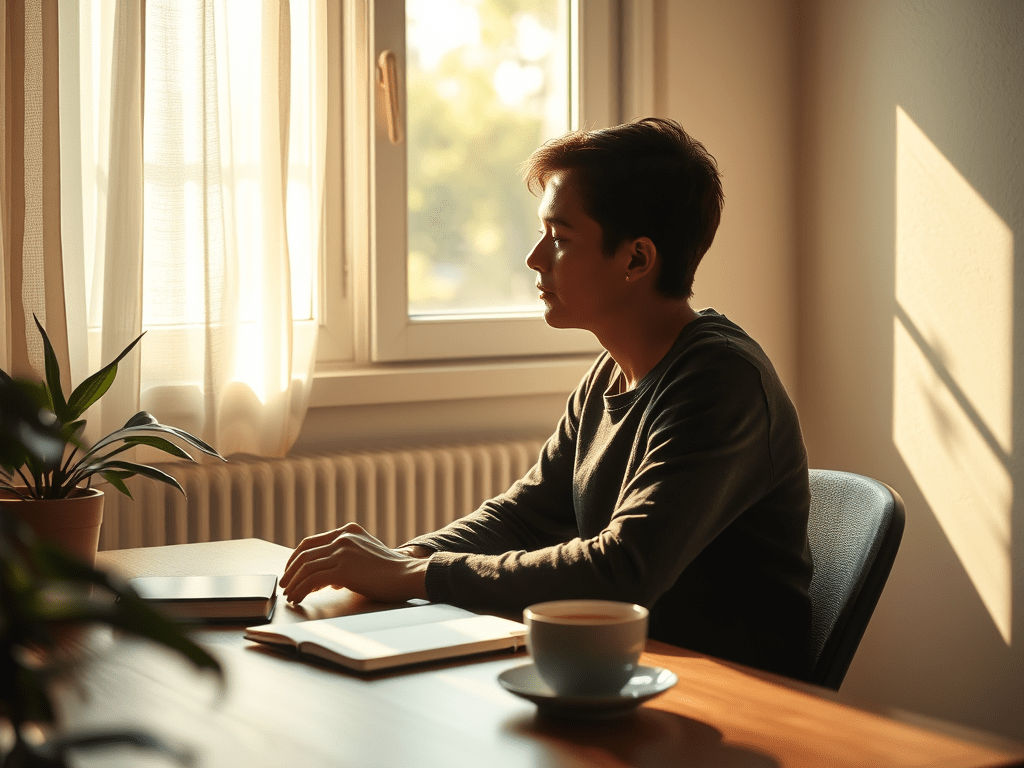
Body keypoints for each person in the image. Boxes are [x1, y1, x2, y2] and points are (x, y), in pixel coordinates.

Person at [280, 117, 814, 680]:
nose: (535, 258)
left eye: (560, 238)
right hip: (622, 672)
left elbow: (621, 570)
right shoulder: (610, 373)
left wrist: (415, 576)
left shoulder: (721, 382)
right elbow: (523, 518)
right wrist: (406, 556)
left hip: (736, 695)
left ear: (636, 260)